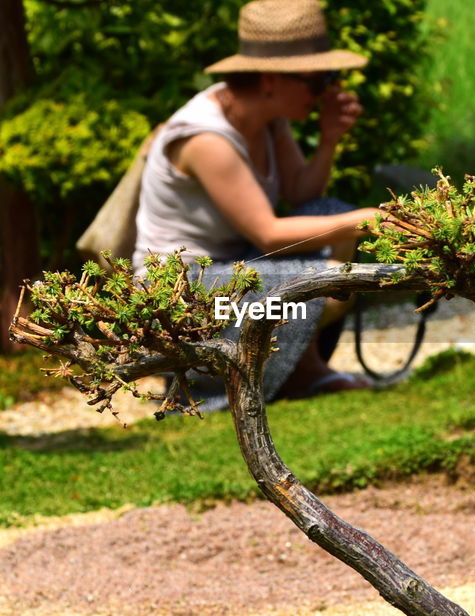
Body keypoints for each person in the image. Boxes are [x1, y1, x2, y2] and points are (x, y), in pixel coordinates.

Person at [133, 0, 381, 406]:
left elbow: (303, 195)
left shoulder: (266, 116)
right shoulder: (206, 139)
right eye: (319, 80)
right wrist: (367, 220)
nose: (328, 91)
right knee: (331, 280)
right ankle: (212, 377)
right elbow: (269, 234)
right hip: (183, 293)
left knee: (329, 217)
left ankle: (306, 370)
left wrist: (330, 137)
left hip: (234, 269)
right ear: (271, 79)